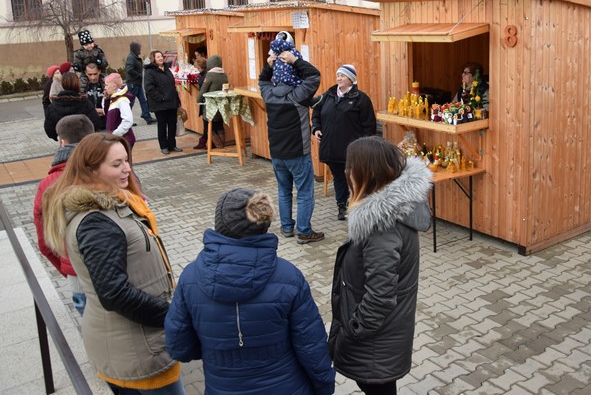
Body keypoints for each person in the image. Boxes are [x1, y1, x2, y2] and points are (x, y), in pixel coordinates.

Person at [41, 133, 184, 395]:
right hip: (137, 346)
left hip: (137, 340)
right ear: (90, 170)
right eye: (116, 164)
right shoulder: (97, 222)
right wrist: (173, 314)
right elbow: (114, 293)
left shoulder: (115, 203)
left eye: (126, 160)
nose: (127, 168)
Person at [165, 187, 336, 395]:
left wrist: (216, 350)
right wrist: (325, 386)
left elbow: (178, 346)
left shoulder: (189, 278)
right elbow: (312, 347)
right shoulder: (289, 277)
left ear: (220, 224)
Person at [328, 136, 432, 395]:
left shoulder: (381, 227)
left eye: (350, 166)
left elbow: (380, 296)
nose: (346, 171)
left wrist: (354, 329)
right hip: (382, 339)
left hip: (374, 342)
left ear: (366, 173)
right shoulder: (386, 215)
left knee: (377, 388)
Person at [258, 31, 323, 244]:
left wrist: (269, 65)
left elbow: (262, 79)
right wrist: (296, 60)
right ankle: (304, 231)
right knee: (304, 192)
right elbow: (314, 75)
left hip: (277, 153)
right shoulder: (298, 95)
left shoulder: (268, 93)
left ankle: (287, 228)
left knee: (284, 191)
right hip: (298, 153)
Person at [33, 114, 94, 316]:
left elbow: (44, 242)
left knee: (90, 329)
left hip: (77, 275)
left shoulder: (48, 185)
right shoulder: (109, 171)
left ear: (62, 142)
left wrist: (66, 268)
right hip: (119, 271)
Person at [311, 64, 376, 220]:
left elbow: (369, 126)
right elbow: (316, 113)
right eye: (338, 75)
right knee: (339, 178)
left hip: (352, 150)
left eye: (343, 76)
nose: (339, 78)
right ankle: (342, 206)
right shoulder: (327, 96)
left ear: (351, 79)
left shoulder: (361, 99)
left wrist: (364, 147)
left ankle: (360, 206)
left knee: (356, 179)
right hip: (332, 147)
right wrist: (316, 128)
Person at [144, 50, 182, 155]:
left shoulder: (167, 69)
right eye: (158, 57)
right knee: (162, 125)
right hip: (159, 104)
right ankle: (164, 146)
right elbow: (149, 88)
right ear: (153, 59)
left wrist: (177, 101)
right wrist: (161, 98)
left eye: (161, 56)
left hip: (171, 102)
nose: (160, 58)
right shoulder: (150, 71)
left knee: (172, 124)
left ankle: (172, 145)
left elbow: (172, 85)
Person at [44, 72, 102, 139]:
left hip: (64, 141)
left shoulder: (53, 106)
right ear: (77, 83)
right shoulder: (85, 103)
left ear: (62, 84)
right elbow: (95, 123)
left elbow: (49, 129)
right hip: (83, 141)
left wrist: (60, 137)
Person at [196, 55, 228, 150]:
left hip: (210, 105)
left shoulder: (210, 75)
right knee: (219, 124)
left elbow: (203, 90)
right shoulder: (224, 74)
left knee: (208, 125)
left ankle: (217, 144)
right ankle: (222, 144)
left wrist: (198, 100)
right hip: (221, 104)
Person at [125, 42, 156, 125]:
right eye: (139, 48)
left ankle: (147, 116)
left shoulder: (134, 57)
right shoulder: (131, 58)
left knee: (143, 101)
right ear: (135, 49)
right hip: (133, 84)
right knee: (130, 102)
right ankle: (126, 120)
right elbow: (129, 69)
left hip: (137, 83)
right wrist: (139, 75)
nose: (140, 50)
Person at [104, 72, 136, 152]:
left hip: (123, 140)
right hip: (117, 140)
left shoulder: (122, 100)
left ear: (114, 86)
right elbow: (108, 115)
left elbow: (128, 120)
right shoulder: (113, 98)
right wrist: (106, 100)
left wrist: (115, 134)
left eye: (106, 85)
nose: (105, 88)